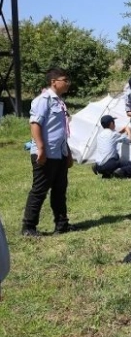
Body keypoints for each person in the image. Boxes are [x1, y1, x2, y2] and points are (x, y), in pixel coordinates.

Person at [21, 67, 75, 237]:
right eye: (65, 80)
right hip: (46, 153)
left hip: (60, 153)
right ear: (54, 82)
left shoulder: (59, 101)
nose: (68, 83)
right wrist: (41, 148)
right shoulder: (43, 100)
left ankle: (62, 224)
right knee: (39, 190)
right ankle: (28, 227)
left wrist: (68, 153)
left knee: (60, 190)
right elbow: (35, 124)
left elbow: (62, 130)